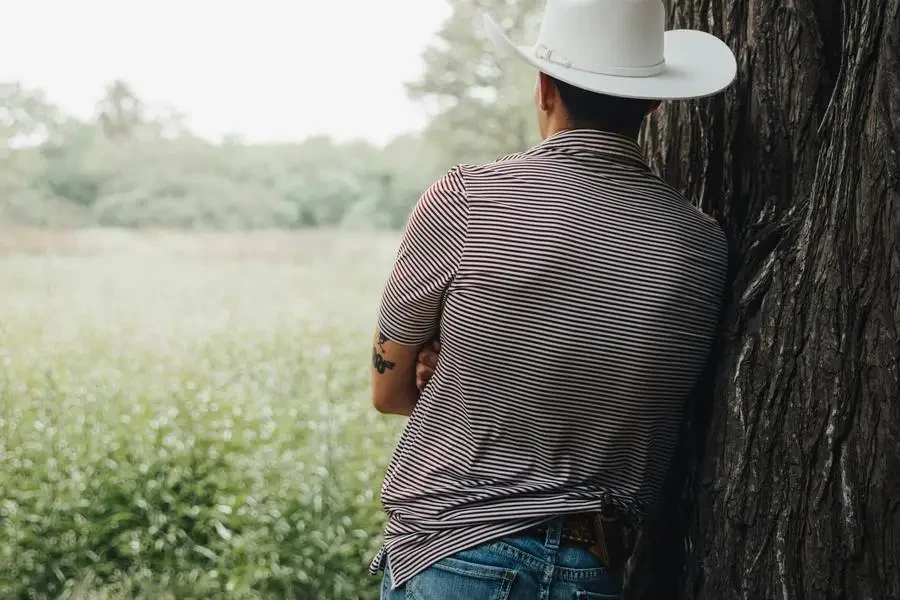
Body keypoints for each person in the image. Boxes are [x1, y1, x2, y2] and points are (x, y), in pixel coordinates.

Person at [368, 0, 737, 598]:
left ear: (543, 88)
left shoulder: (464, 201)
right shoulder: (703, 244)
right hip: (594, 572)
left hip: (451, 552)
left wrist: (450, 368)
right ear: (654, 104)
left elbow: (389, 392)